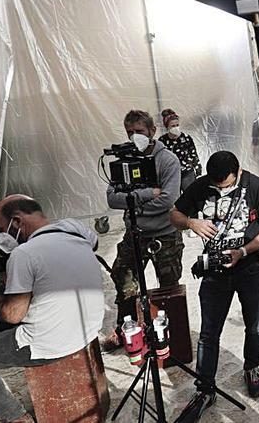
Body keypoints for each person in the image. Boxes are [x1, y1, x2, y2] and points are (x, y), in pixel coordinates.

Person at [0, 195, 104, 423]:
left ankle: (15, 417)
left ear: (17, 222)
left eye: (1, 229)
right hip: (88, 326)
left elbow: (12, 315)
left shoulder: (24, 254)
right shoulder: (74, 229)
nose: (0, 236)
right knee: (2, 325)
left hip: (53, 342)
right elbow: (89, 248)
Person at [170, 151, 259, 401]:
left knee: (254, 325)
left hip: (249, 268)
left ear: (238, 172)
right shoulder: (201, 186)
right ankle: (205, 386)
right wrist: (191, 223)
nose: (220, 188)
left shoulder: (257, 187)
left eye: (225, 185)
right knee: (209, 332)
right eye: (216, 185)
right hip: (215, 271)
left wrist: (243, 251)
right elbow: (174, 214)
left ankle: (252, 367)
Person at [102, 110, 184, 351]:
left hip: (165, 233)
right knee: (125, 282)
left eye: (139, 131)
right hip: (135, 234)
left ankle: (170, 333)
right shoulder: (124, 160)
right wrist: (147, 194)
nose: (134, 136)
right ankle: (125, 329)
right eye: (130, 132)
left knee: (169, 285)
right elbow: (112, 198)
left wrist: (133, 204)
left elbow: (168, 200)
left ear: (151, 131)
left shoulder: (167, 160)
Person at [159, 108, 201, 192]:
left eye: (177, 125)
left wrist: (198, 171)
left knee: (190, 196)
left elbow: (194, 155)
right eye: (173, 126)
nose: (176, 128)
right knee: (174, 198)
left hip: (187, 173)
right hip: (172, 174)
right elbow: (160, 160)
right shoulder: (162, 141)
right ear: (167, 127)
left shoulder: (186, 138)